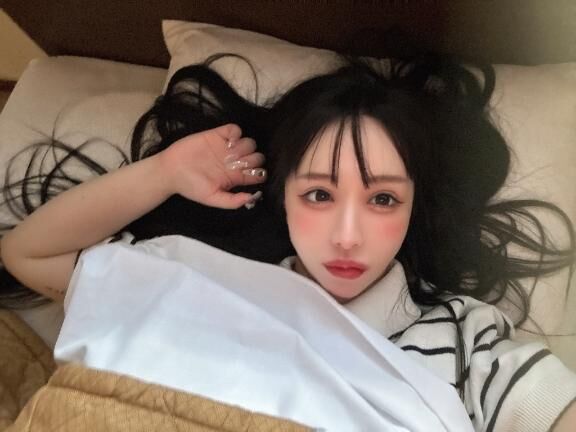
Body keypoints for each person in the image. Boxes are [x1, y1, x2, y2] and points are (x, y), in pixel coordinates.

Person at [0, 54, 575, 430]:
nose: (347, 237)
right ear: (282, 196)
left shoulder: (463, 336)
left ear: (414, 207)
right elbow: (28, 253)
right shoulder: (207, 282)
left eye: (382, 200)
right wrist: (167, 172)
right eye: (319, 195)